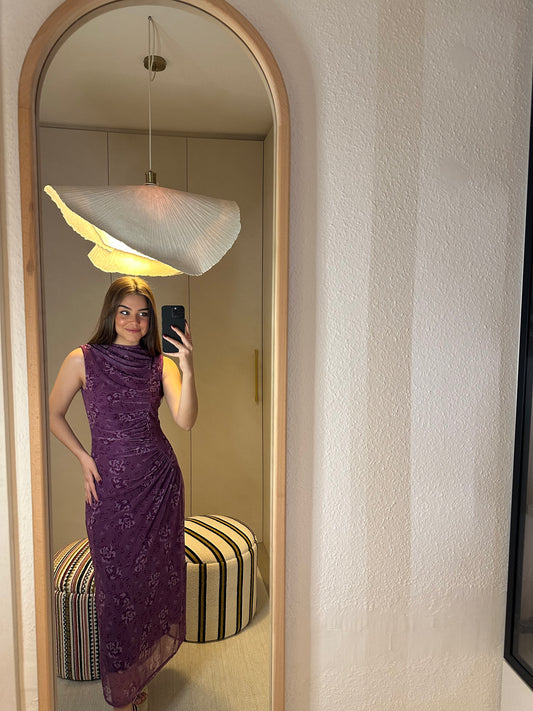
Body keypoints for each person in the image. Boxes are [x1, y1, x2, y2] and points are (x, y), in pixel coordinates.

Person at [49, 276, 198, 711]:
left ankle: (138, 680)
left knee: (152, 582)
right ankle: (124, 688)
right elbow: (54, 414)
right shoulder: (82, 359)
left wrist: (188, 367)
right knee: (118, 591)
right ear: (111, 313)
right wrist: (83, 457)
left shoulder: (161, 364)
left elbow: (185, 420)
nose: (134, 321)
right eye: (125, 312)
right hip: (110, 491)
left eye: (143, 313)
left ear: (152, 319)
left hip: (158, 485)